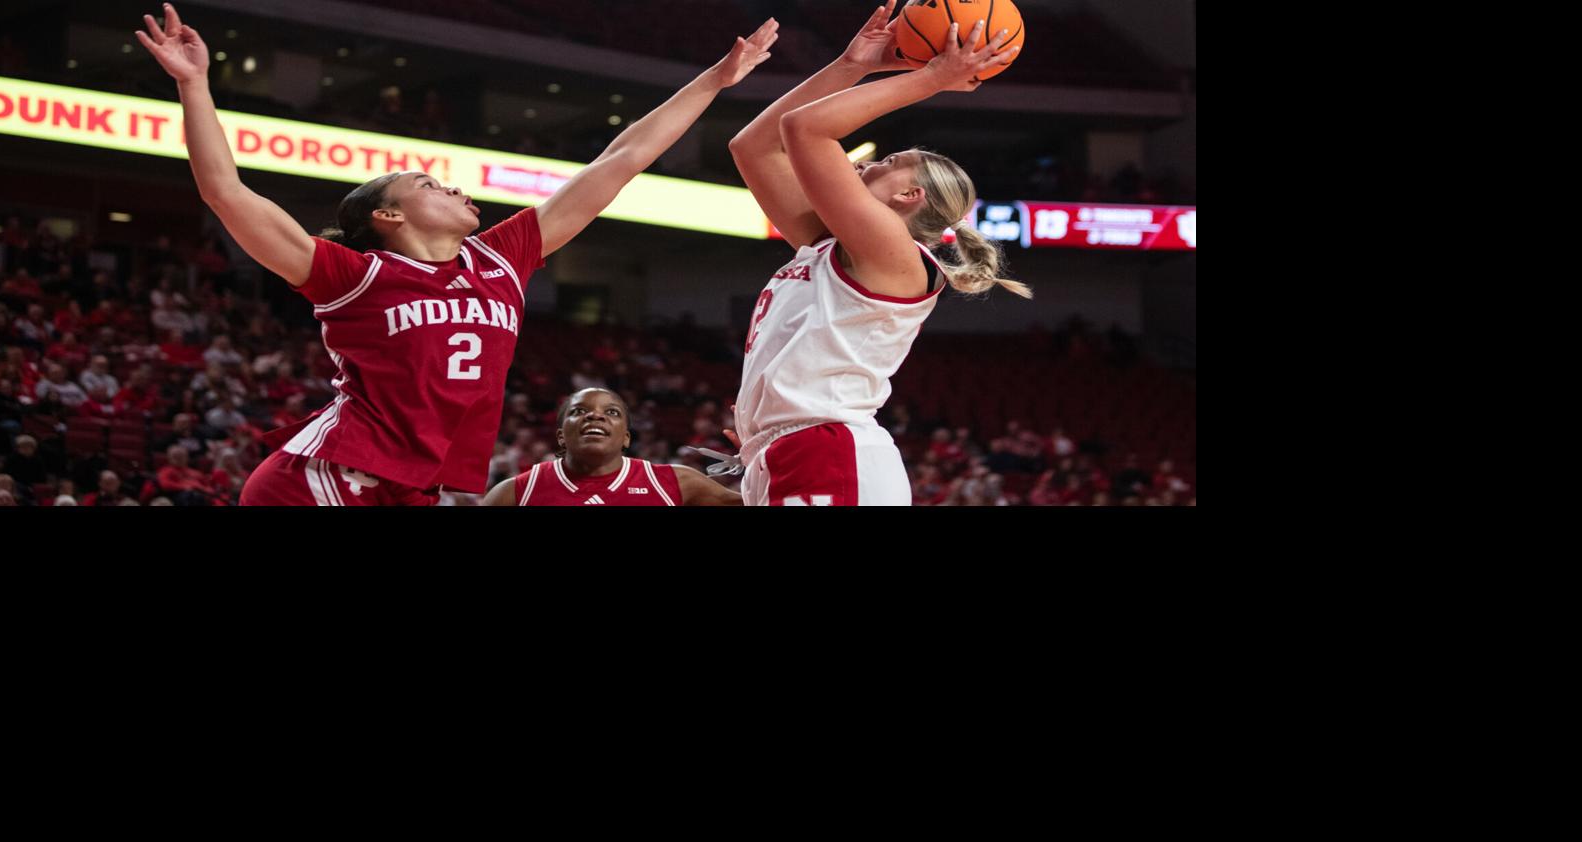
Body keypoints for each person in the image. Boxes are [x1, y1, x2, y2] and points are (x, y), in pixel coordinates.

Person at [134, 3, 778, 505]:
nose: (455, 189)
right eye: (430, 186)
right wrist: (194, 86)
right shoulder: (352, 275)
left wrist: (715, 81)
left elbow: (623, 159)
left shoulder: (502, 257)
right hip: (327, 478)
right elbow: (224, 191)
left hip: (414, 484)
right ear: (387, 216)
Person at [726, 3, 1028, 505]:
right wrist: (854, 66)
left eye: (888, 162)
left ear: (909, 198)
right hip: (788, 450)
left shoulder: (895, 255)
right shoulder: (830, 243)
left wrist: (933, 78)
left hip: (828, 449)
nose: (866, 163)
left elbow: (806, 130)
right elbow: (753, 147)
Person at [483, 388, 741, 507]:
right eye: (579, 411)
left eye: (612, 412)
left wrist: (765, 459)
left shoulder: (675, 482)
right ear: (561, 436)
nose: (595, 416)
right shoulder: (515, 493)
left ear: (626, 438)